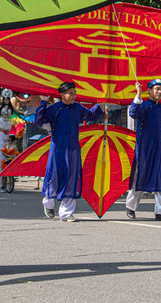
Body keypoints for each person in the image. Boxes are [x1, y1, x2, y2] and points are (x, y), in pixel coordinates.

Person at [36, 81, 102, 222]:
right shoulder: (55, 109)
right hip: (57, 149)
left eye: (75, 93)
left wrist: (100, 105)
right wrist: (43, 102)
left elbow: (90, 115)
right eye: (70, 93)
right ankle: (48, 203)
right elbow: (39, 120)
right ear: (62, 94)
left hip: (73, 149)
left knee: (72, 178)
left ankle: (66, 213)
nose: (74, 96)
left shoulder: (77, 108)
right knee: (54, 178)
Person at [126, 79, 161, 221]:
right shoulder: (143, 106)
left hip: (159, 150)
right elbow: (133, 112)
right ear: (149, 91)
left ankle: (160, 212)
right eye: (156, 89)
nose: (160, 92)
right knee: (139, 178)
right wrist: (138, 94)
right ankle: (130, 207)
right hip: (143, 149)